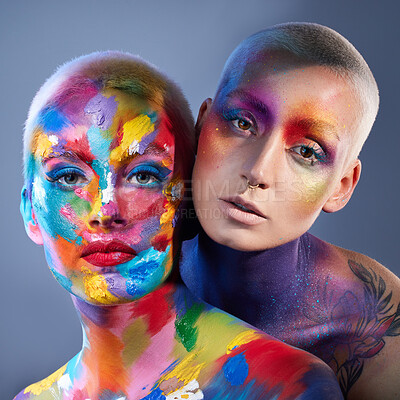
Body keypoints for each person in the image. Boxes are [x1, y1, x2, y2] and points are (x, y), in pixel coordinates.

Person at [15, 51, 342, 400]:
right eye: (68, 176)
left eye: (143, 175)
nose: (106, 210)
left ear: (188, 201)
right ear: (31, 212)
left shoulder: (282, 386)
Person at [180, 23, 400, 399]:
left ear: (342, 186)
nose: (258, 171)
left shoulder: (373, 330)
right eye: (242, 123)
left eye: (306, 151)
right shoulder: (140, 255)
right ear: (202, 125)